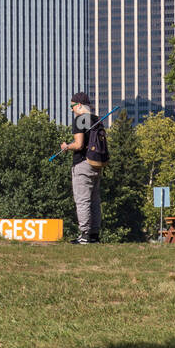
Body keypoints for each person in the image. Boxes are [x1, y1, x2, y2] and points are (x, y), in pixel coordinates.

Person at [59, 92, 102, 244]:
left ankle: (84, 234)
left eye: (72, 106)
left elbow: (79, 145)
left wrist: (66, 146)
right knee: (94, 200)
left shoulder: (80, 119)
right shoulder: (95, 119)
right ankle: (94, 235)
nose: (71, 110)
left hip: (82, 164)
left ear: (78, 105)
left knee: (82, 200)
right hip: (96, 164)